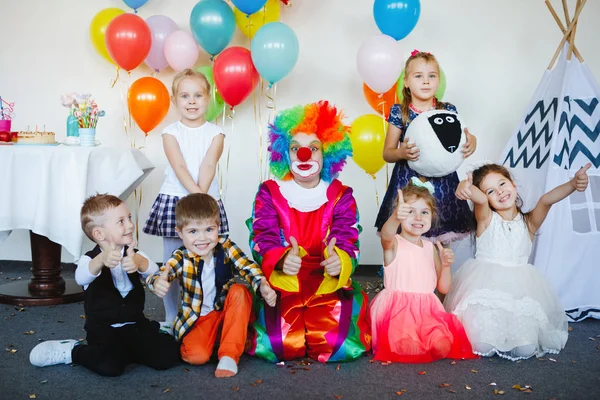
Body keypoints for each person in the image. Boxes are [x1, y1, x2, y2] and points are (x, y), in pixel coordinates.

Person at [246, 101, 371, 363]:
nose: (304, 156)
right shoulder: (270, 191)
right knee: (281, 345)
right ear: (285, 154)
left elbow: (348, 236)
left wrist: (340, 259)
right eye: (295, 149)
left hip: (326, 280)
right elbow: (263, 235)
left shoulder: (341, 195)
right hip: (284, 280)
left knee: (335, 346)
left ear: (328, 154)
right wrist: (280, 258)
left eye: (313, 149)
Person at [444, 163, 590, 360]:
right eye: (490, 191)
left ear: (513, 184)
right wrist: (466, 186)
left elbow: (547, 200)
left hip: (520, 292)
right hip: (485, 290)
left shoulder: (529, 222)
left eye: (503, 184)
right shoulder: (486, 218)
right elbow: (479, 201)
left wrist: (573, 183)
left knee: (526, 349)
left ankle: (511, 330)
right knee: (481, 343)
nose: (500, 192)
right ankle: (488, 331)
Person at [29, 194, 180, 377]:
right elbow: (81, 278)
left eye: (129, 218)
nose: (130, 225)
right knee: (109, 366)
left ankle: (152, 334)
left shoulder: (134, 254)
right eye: (121, 221)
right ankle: (73, 351)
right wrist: (101, 260)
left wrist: (138, 262)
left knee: (168, 356)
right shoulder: (89, 259)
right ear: (99, 234)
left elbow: (153, 269)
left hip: (136, 325)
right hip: (103, 331)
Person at [146, 193, 276, 378]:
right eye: (193, 232)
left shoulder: (226, 246)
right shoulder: (181, 256)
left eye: (209, 229)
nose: (202, 238)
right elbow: (162, 274)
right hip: (199, 318)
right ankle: (224, 340)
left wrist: (261, 284)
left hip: (226, 312)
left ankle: (229, 353)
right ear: (180, 232)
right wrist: (157, 282)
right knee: (195, 357)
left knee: (239, 290)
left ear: (218, 227)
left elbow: (247, 267)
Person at [143, 68, 228, 333]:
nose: (191, 101)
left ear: (208, 97)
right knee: (172, 262)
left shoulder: (216, 133)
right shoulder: (170, 133)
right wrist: (196, 199)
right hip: (175, 200)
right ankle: (170, 317)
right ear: (174, 100)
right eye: (184, 96)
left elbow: (209, 164)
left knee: (208, 261)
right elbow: (179, 166)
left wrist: (202, 201)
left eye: (198, 95)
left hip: (207, 199)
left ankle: (206, 314)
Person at [375, 50, 476, 244]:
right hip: (409, 182)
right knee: (409, 234)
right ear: (406, 81)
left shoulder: (448, 110)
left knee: (441, 239)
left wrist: (473, 140)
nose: (426, 81)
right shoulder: (400, 112)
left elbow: (464, 135)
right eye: (418, 76)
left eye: (432, 76)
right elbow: (387, 153)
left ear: (438, 80)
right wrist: (401, 152)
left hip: (444, 183)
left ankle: (440, 272)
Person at [370, 179, 477, 363]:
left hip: (427, 311)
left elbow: (443, 288)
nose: (418, 218)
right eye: (410, 212)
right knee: (409, 348)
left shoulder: (431, 247)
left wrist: (445, 266)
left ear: (432, 217)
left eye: (424, 212)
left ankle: (426, 339)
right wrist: (396, 216)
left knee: (443, 346)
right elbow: (386, 234)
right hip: (398, 312)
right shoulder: (393, 243)